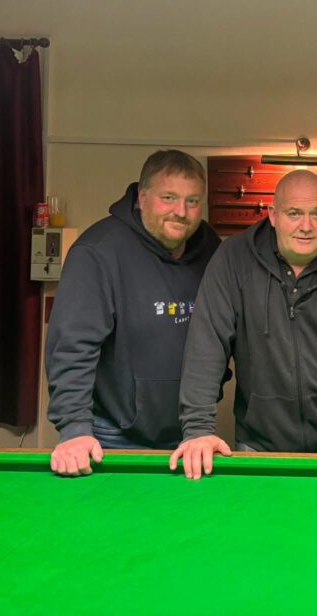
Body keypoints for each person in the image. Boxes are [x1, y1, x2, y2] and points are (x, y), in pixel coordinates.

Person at [171, 169, 317, 480]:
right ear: (273, 215)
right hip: (259, 445)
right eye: (294, 213)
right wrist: (197, 429)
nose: (306, 226)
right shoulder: (233, 259)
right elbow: (206, 347)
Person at [46, 150, 221, 476]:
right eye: (168, 198)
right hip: (111, 435)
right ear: (142, 198)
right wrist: (74, 427)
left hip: (190, 434)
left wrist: (200, 422)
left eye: (193, 201)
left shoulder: (212, 249)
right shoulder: (97, 252)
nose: (181, 211)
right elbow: (72, 347)